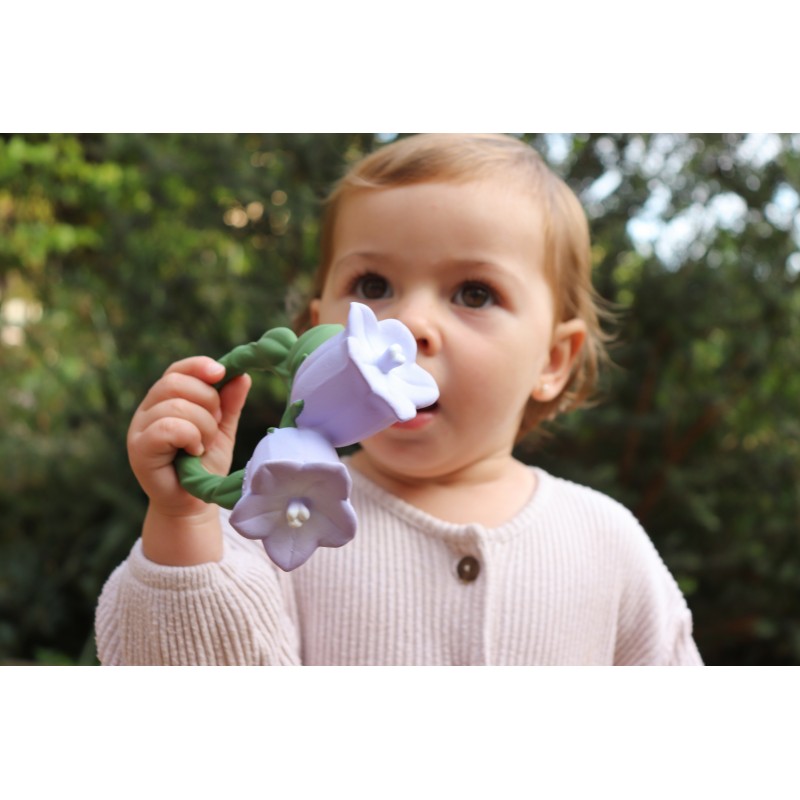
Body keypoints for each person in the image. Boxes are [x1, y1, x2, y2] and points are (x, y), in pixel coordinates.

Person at [95, 133, 703, 665]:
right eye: (373, 285)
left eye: (473, 293)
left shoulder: (605, 542)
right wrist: (182, 524)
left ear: (552, 360)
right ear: (317, 332)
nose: (408, 324)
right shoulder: (272, 516)